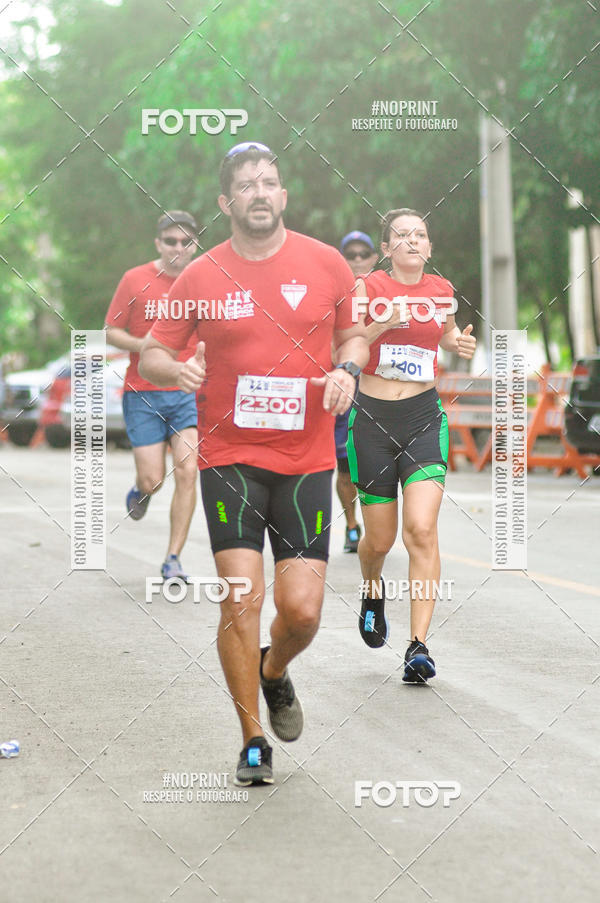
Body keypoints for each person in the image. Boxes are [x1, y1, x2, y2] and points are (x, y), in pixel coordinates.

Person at [139, 143, 369, 785]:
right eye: (246, 185)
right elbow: (154, 353)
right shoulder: (203, 274)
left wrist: (348, 366)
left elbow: (352, 332)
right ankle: (251, 739)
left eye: (269, 182)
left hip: (304, 459)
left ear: (284, 195)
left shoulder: (326, 264)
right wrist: (177, 367)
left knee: (302, 612)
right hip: (230, 458)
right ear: (227, 202)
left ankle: (274, 670)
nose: (259, 193)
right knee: (240, 601)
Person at [346, 208, 476, 681]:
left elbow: (442, 338)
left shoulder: (442, 291)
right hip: (373, 421)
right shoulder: (368, 289)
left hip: (423, 417)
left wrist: (456, 345)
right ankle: (372, 588)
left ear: (430, 247)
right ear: (386, 249)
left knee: (420, 529)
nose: (413, 242)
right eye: (402, 235)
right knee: (378, 540)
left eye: (420, 235)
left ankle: (418, 646)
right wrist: (383, 325)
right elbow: (349, 343)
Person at [105, 210, 199, 581]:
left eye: (186, 241)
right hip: (143, 393)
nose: (179, 247)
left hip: (186, 392)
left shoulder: (203, 280)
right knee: (154, 481)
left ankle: (173, 558)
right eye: (171, 241)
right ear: (158, 243)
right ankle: (141, 491)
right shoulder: (135, 279)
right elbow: (111, 331)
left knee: (188, 470)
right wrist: (143, 343)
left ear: (194, 245)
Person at [336, 231, 379, 552]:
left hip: (379, 392)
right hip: (344, 388)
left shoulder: (385, 295)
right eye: (350, 254)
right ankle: (352, 525)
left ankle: (376, 527)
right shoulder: (333, 295)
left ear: (375, 257)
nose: (358, 260)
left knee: (373, 467)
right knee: (345, 468)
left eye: (364, 253)